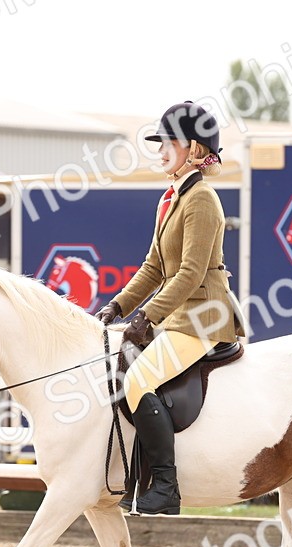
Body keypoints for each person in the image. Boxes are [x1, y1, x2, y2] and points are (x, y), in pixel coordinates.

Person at [94, 101, 244, 515]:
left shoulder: (202, 200)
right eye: (160, 144)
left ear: (195, 150)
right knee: (121, 369)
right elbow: (154, 267)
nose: (160, 151)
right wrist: (117, 306)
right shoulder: (171, 199)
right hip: (179, 316)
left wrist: (147, 317)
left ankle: (166, 485)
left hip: (203, 318)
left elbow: (192, 273)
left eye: (170, 143)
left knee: (138, 381)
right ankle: (135, 478)